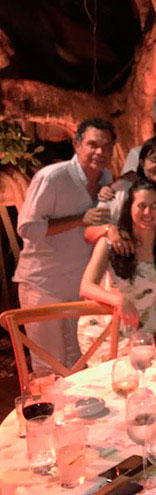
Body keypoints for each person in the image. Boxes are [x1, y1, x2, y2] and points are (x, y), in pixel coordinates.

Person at [14, 118, 115, 371]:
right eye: (93, 144)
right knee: (48, 365)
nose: (100, 152)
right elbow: (26, 227)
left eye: (106, 146)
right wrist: (79, 219)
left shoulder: (106, 180)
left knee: (79, 365)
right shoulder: (52, 178)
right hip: (44, 286)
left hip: (80, 288)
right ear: (77, 144)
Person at [78, 179, 156, 362]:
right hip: (106, 330)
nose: (148, 212)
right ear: (129, 208)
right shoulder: (112, 241)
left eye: (154, 206)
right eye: (141, 206)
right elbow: (86, 287)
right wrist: (118, 300)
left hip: (148, 332)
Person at [90, 135, 156, 244]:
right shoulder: (122, 191)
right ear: (143, 164)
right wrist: (109, 230)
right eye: (154, 160)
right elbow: (91, 230)